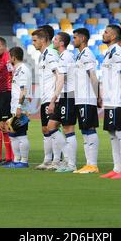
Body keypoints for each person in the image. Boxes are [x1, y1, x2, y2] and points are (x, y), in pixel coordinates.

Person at [99, 25, 121, 179]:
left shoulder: (117, 52)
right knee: (112, 133)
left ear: (113, 36)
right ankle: (117, 167)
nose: (103, 34)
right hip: (109, 100)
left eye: (106, 32)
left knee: (120, 132)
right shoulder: (108, 53)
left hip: (118, 99)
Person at [48, 32, 78, 173]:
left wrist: (53, 99)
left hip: (68, 96)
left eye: (55, 39)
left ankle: (71, 164)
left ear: (61, 43)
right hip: (63, 96)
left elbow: (62, 79)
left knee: (68, 129)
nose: (53, 41)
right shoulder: (62, 56)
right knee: (51, 126)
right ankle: (67, 158)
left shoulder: (66, 57)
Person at [32, 29, 61, 170]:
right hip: (45, 97)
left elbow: (59, 75)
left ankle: (57, 160)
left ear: (43, 40)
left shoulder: (51, 54)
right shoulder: (42, 56)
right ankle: (48, 160)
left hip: (52, 97)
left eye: (35, 40)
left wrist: (54, 98)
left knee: (52, 128)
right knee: (45, 129)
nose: (33, 44)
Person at [72, 28, 100, 174]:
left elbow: (93, 76)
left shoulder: (87, 54)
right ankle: (88, 163)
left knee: (89, 129)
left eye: (75, 37)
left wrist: (98, 95)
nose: (73, 40)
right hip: (79, 98)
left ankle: (93, 164)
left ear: (83, 39)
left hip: (87, 98)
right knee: (84, 130)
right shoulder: (79, 56)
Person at [3, 46, 32, 168]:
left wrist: (19, 106)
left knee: (21, 134)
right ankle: (16, 160)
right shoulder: (18, 69)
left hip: (21, 107)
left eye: (10, 57)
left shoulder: (23, 70)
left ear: (13, 57)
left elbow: (23, 90)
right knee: (13, 134)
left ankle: (24, 161)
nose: (9, 59)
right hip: (15, 106)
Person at [0, 37, 14, 165]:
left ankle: (12, 157)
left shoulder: (7, 58)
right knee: (3, 126)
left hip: (7, 93)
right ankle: (8, 157)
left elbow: (13, 74)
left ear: (4, 47)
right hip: (0, 93)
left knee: (8, 126)